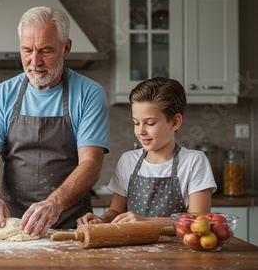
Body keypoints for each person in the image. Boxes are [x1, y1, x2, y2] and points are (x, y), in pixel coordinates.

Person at [0, 6, 110, 237]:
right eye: (27, 50)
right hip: (12, 226)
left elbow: (91, 164)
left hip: (70, 228)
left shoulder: (89, 94)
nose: (34, 61)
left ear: (66, 48)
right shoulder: (2, 94)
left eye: (45, 50)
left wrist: (54, 205)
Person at [77, 77, 217, 228]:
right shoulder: (128, 160)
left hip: (178, 249)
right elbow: (116, 211)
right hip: (133, 249)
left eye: (150, 123)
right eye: (136, 123)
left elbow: (198, 219)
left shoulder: (194, 161)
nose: (141, 131)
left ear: (175, 122)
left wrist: (146, 222)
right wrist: (102, 220)